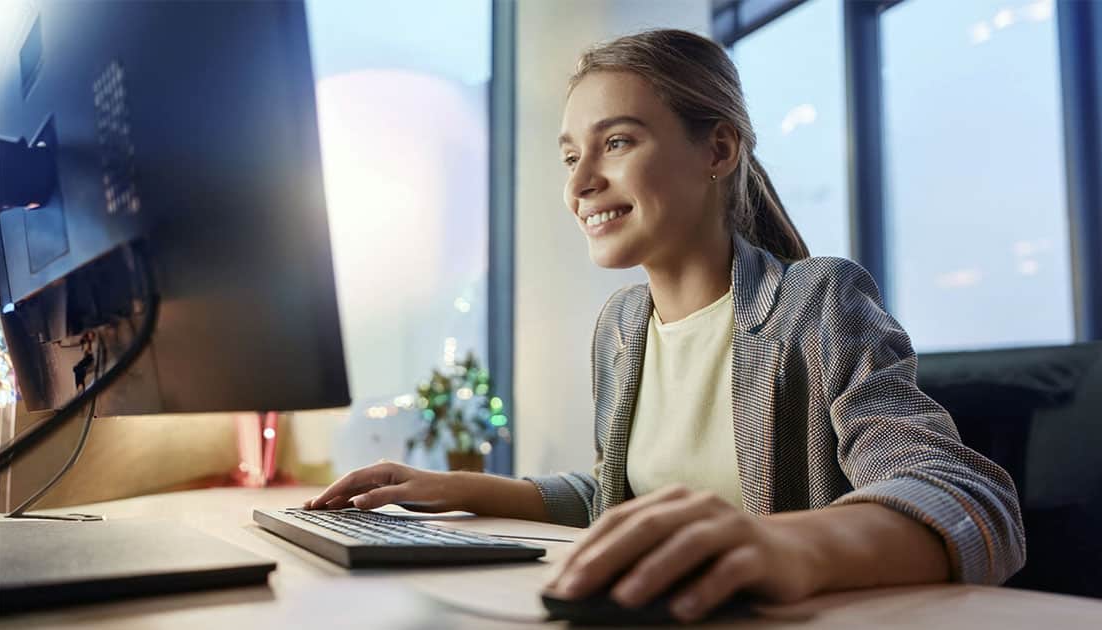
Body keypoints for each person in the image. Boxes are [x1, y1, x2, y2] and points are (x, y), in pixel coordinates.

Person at [305, 28, 1026, 622]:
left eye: (615, 143)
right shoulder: (621, 327)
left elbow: (967, 500)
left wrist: (784, 548)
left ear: (717, 150)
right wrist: (456, 488)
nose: (580, 180)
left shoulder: (818, 301)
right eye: (570, 155)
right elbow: (620, 499)